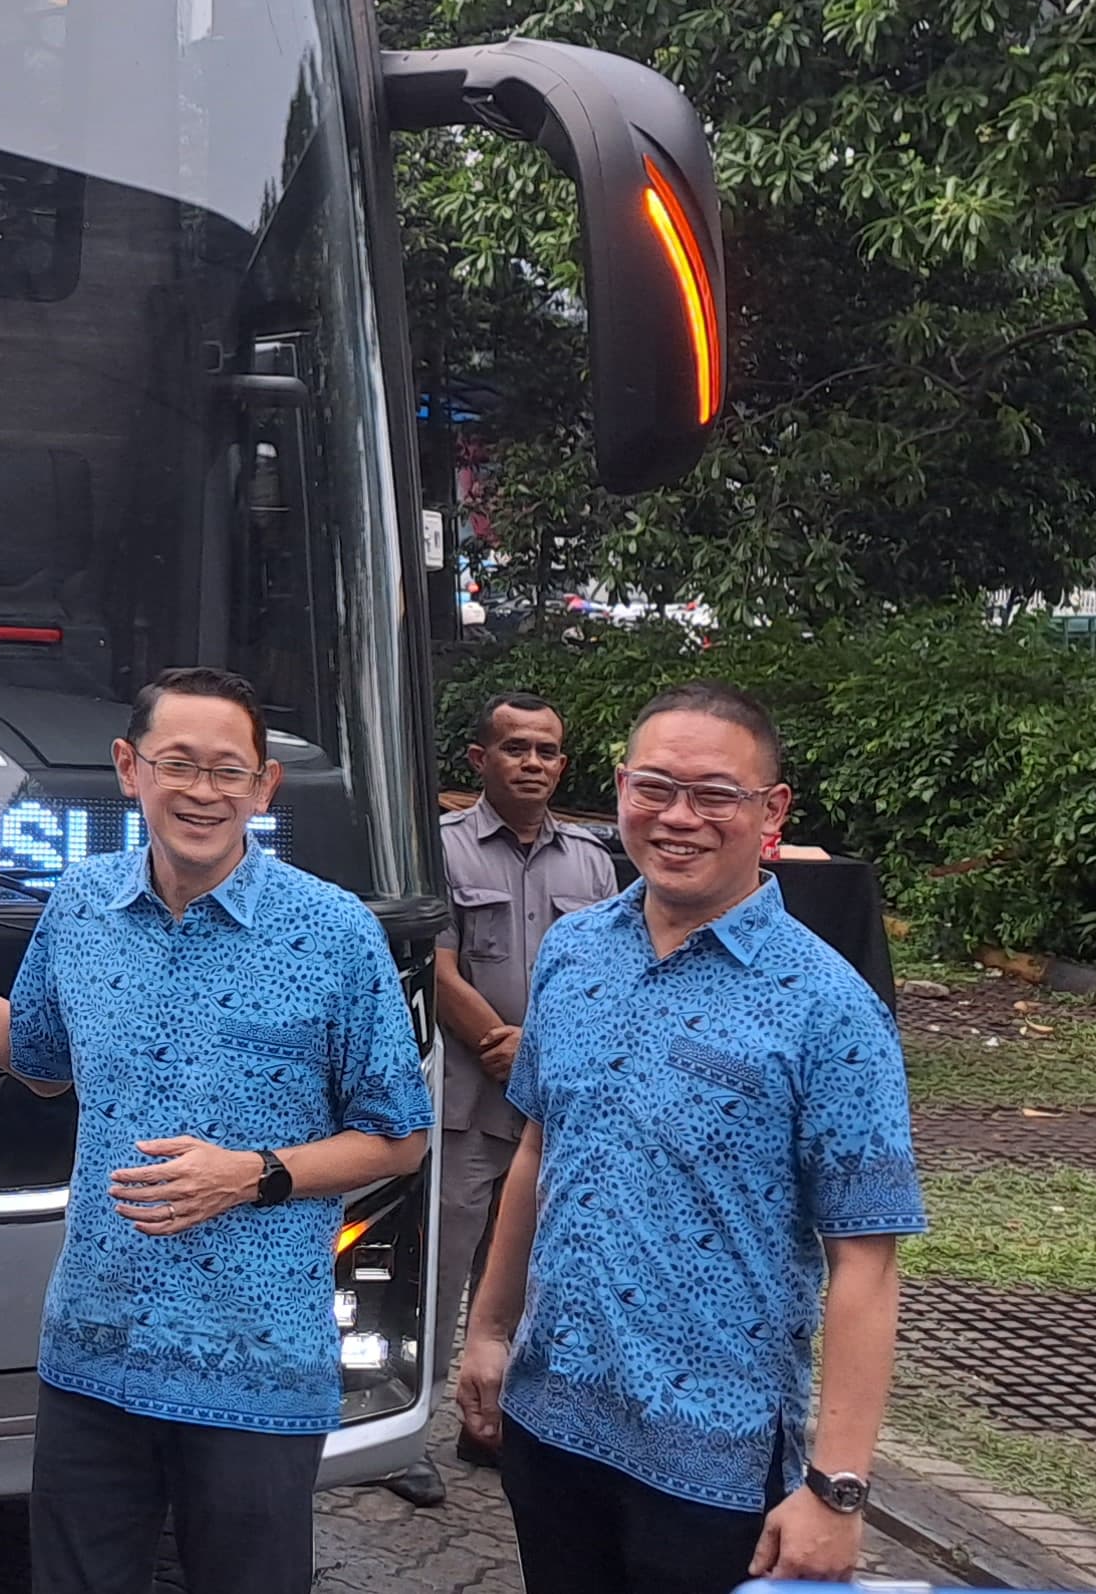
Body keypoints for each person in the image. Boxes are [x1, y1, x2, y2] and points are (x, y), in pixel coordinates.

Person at [0, 667, 431, 1594]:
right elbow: (35, 1056)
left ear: (264, 786)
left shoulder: (334, 932)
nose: (201, 790)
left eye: (228, 770)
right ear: (128, 769)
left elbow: (401, 1139)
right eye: (176, 762)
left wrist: (251, 1174)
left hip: (255, 1370)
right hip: (92, 1358)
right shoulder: (81, 905)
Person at [455, 682, 923, 1594]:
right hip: (551, 1424)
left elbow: (866, 1261)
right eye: (655, 788)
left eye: (715, 794)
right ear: (621, 787)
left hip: (714, 1459)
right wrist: (487, 1330)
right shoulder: (575, 951)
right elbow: (539, 1152)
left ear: (771, 812)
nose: (679, 818)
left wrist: (837, 1488)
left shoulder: (829, 1009)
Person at [430, 690, 620, 1463]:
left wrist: (541, 1052)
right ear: (481, 760)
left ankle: (494, 1426)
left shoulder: (593, 859)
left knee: (528, 1280)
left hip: (555, 1112)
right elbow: (434, 969)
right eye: (516, 748)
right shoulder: (440, 847)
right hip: (469, 1104)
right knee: (443, 1273)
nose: (533, 763)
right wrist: (502, 1045)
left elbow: (614, 974)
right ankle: (408, 1434)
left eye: (546, 751)